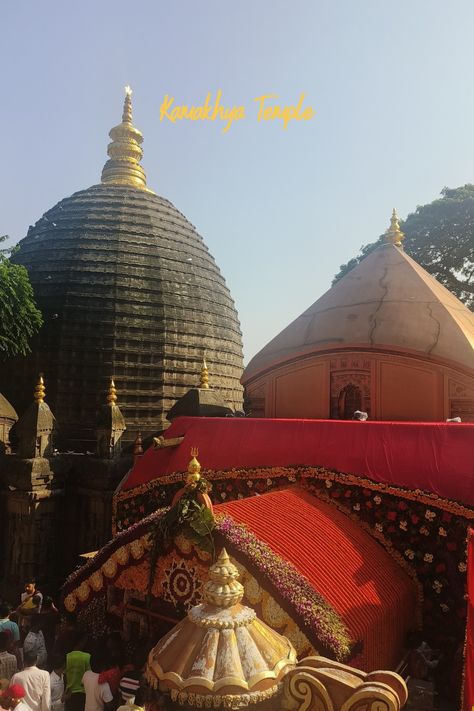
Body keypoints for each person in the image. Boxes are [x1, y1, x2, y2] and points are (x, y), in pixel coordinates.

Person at [65, 635, 90, 711]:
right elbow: (89, 674)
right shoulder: (87, 657)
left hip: (69, 693)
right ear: (80, 643)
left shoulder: (67, 657)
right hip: (83, 692)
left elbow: (64, 674)